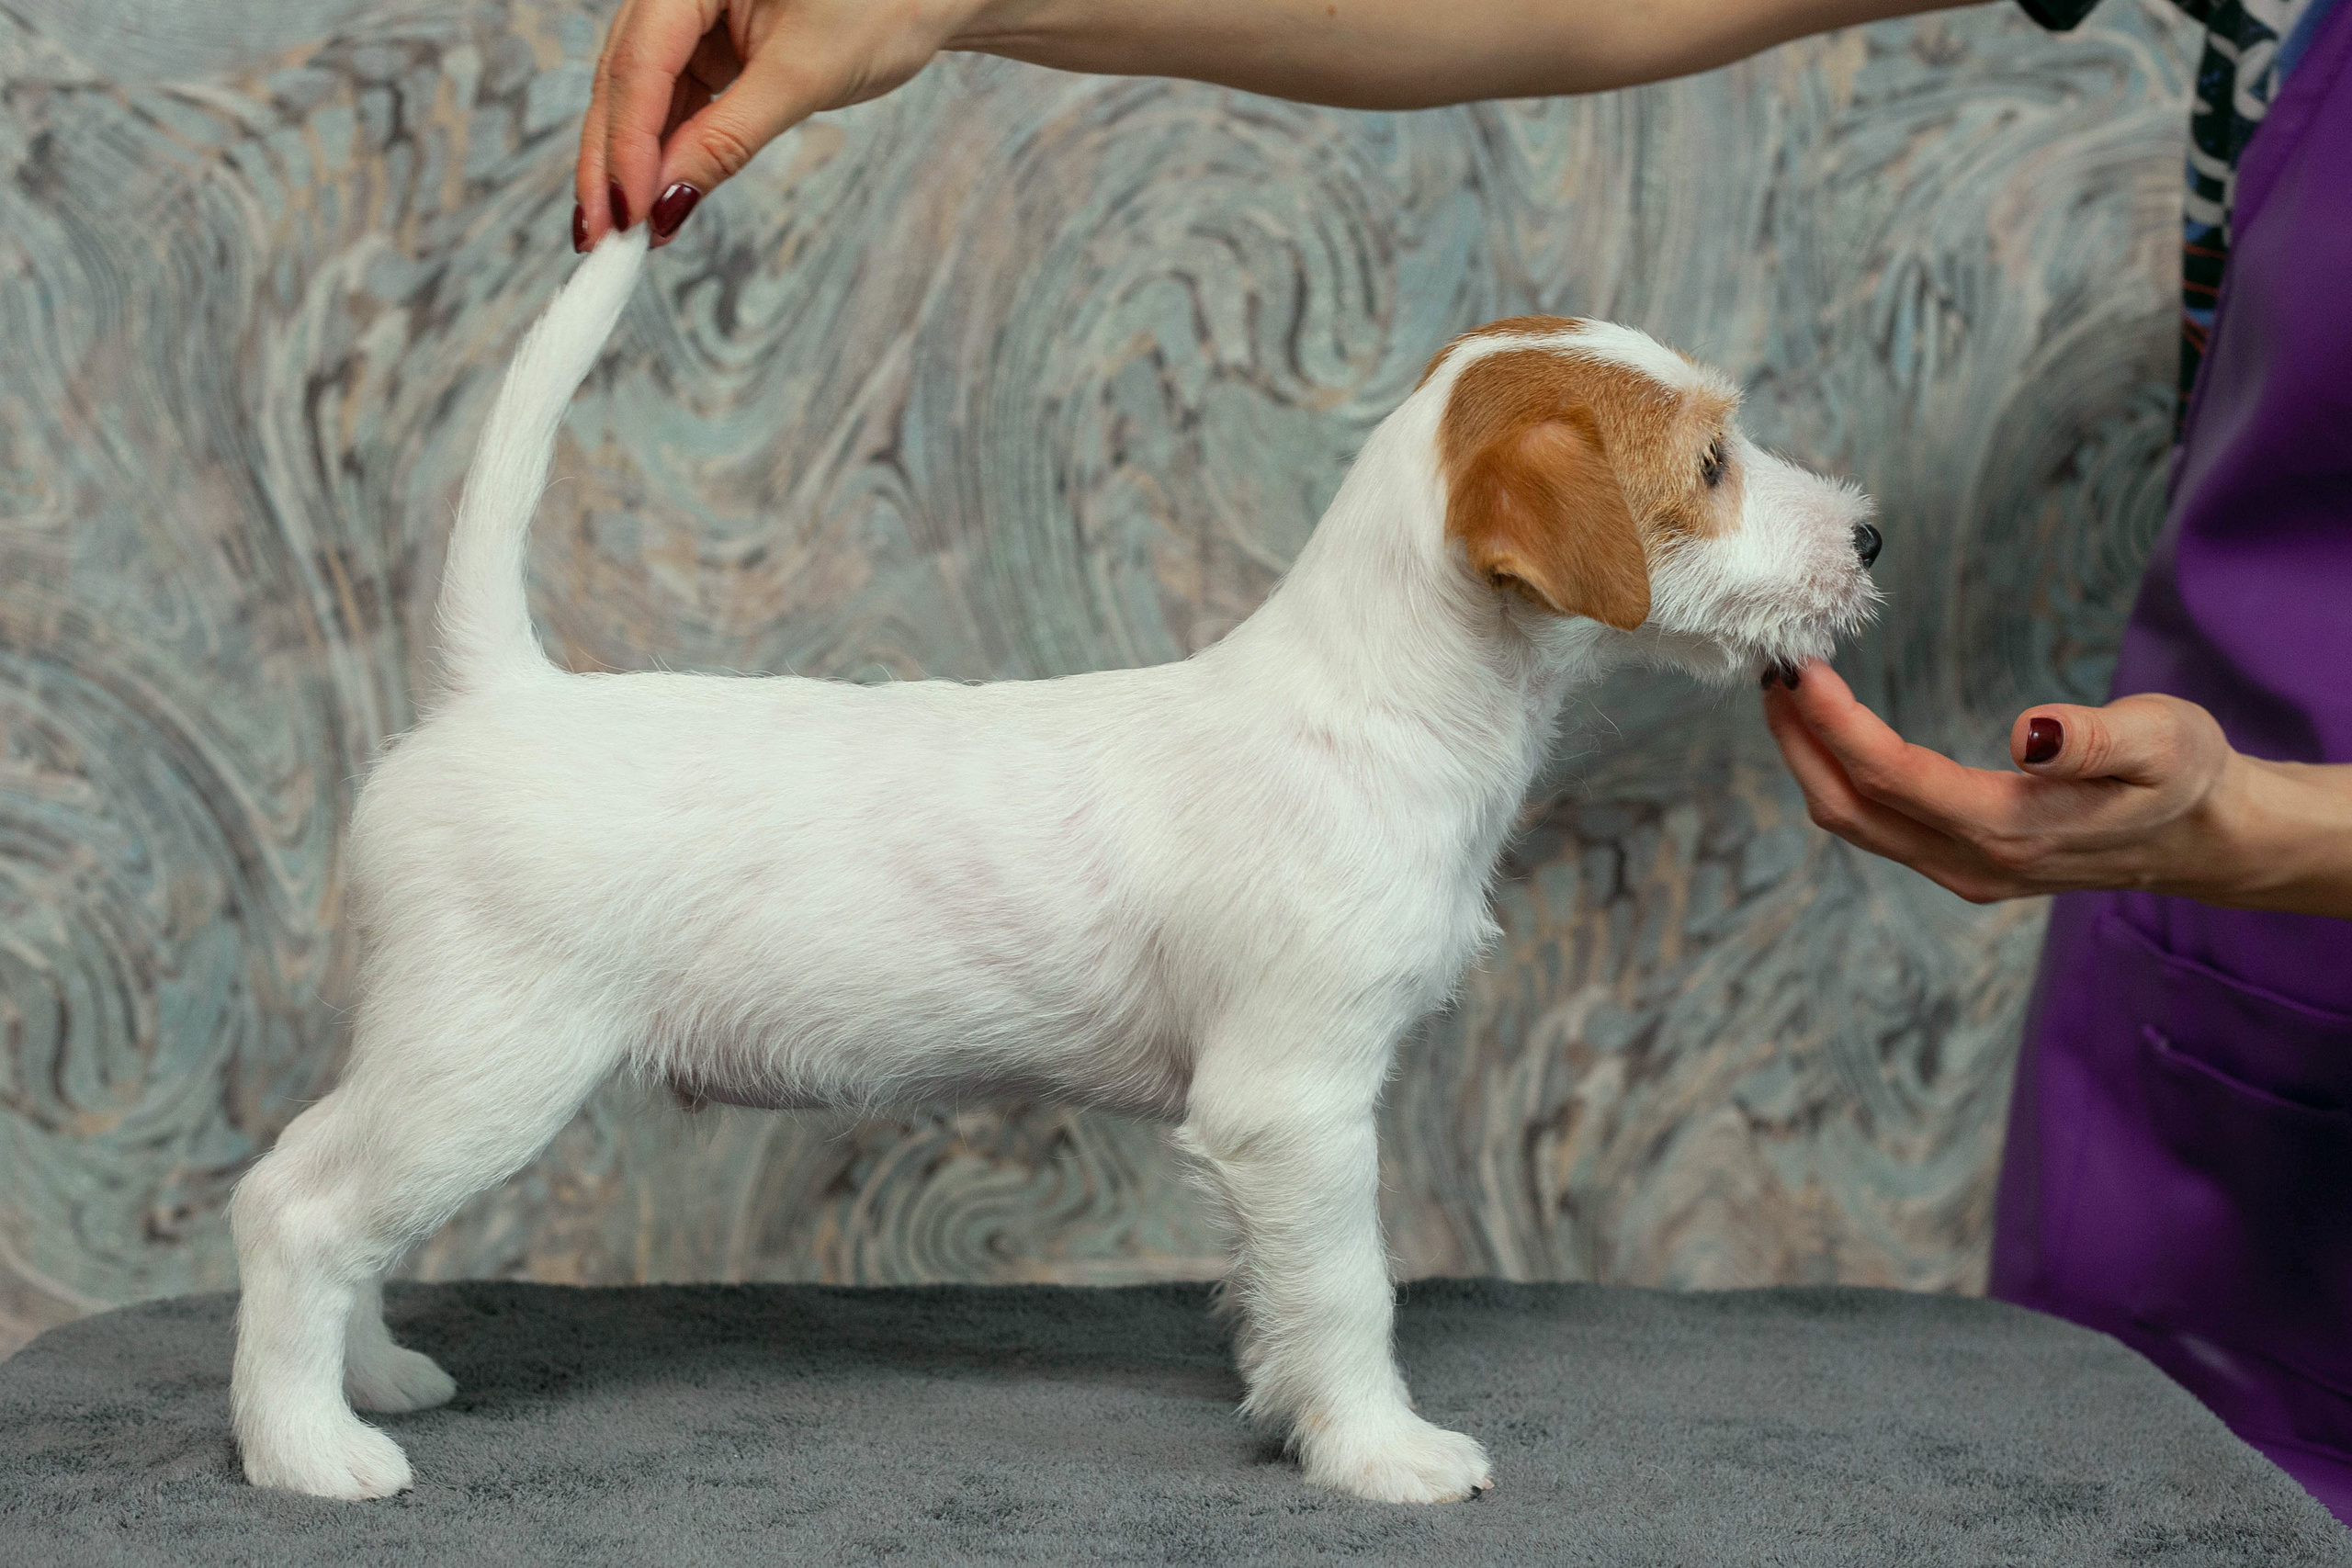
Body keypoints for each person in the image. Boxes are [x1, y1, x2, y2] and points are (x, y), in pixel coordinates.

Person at [572, 0, 2352, 1517]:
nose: (1810, 514)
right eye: (1714, 473)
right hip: (2201, 1016)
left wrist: (2268, 826)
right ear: (1537, 537)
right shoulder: (1344, 759)